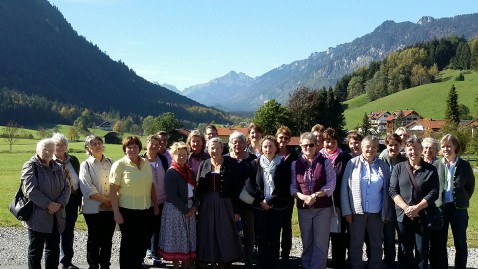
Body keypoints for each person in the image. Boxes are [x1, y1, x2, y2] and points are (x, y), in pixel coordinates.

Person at [341, 135, 392, 269]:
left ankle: (375, 266)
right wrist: (347, 211)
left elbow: (388, 191)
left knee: (376, 243)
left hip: (377, 213)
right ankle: (356, 266)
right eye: (367, 146)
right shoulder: (352, 163)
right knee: (356, 243)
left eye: (374, 147)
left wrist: (386, 212)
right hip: (356, 212)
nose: (370, 149)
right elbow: (344, 188)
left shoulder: (383, 166)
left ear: (377, 149)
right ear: (362, 147)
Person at [389, 136, 439, 269]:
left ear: (421, 150)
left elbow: (434, 192)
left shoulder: (430, 169)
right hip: (402, 215)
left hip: (423, 215)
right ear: (406, 150)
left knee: (422, 249)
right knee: (404, 249)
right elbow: (393, 190)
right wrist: (406, 208)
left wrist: (417, 208)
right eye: (410, 149)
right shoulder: (398, 168)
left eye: (416, 148)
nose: (413, 152)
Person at [109, 136, 159, 269]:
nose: (132, 149)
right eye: (129, 147)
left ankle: (136, 265)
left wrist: (155, 203)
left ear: (139, 148)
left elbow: (151, 184)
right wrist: (116, 213)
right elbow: (113, 191)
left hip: (146, 210)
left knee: (142, 243)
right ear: (125, 150)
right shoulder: (119, 165)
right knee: (128, 245)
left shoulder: (145, 163)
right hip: (127, 212)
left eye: (135, 146)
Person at [22, 138, 71, 269]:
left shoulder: (58, 167)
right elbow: (31, 191)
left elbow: (67, 187)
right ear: (38, 150)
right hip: (37, 217)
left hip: (56, 216)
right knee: (35, 251)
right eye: (45, 149)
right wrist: (49, 204)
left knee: (53, 250)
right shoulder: (30, 166)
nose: (48, 152)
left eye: (51, 149)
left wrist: (59, 204)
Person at [290, 132, 336, 269]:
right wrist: (304, 197)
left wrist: (314, 196)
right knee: (307, 241)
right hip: (304, 208)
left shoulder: (325, 162)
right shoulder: (295, 164)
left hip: (323, 209)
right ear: (300, 146)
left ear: (316, 146)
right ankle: (306, 265)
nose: (308, 148)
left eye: (311, 145)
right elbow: (292, 186)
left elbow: (331, 185)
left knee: (320, 243)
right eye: (305, 145)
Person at [197, 137, 243, 268]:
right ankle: (211, 259)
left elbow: (237, 189)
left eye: (218, 148)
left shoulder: (231, 164)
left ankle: (224, 260)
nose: (215, 150)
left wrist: (237, 210)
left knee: (224, 233)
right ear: (208, 149)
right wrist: (197, 205)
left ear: (222, 149)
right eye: (212, 148)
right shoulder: (204, 164)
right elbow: (198, 187)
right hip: (206, 204)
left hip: (225, 203)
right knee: (208, 232)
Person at [245, 135, 290, 269]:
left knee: (275, 237)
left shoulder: (283, 164)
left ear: (276, 148)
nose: (268, 149)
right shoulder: (255, 164)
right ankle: (263, 263)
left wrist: (270, 200)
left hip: (277, 206)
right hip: (260, 206)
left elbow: (284, 186)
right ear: (261, 148)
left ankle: (274, 263)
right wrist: (261, 201)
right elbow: (249, 184)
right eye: (265, 146)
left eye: (271, 146)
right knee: (262, 237)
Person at [431, 134, 475, 269]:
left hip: (459, 210)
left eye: (448, 146)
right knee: (440, 242)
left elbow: (470, 187)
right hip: (441, 209)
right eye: (443, 147)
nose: (445, 149)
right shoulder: (437, 164)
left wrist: (463, 198)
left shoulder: (465, 165)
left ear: (455, 147)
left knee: (460, 243)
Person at [159, 142, 198, 269]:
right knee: (176, 238)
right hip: (175, 209)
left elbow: (196, 190)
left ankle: (185, 264)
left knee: (187, 237)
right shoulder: (172, 172)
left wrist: (194, 206)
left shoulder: (189, 171)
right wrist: (185, 210)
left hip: (189, 208)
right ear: (173, 155)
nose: (181, 157)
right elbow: (172, 195)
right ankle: (176, 266)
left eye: (184, 154)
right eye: (178, 154)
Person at [79, 135, 115, 269]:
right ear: (88, 147)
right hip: (93, 209)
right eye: (93, 143)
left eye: (99, 142)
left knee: (107, 239)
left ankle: (105, 264)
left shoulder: (112, 162)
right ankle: (93, 265)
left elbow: (119, 184)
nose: (97, 145)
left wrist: (110, 202)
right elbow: (87, 188)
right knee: (94, 239)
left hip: (110, 208)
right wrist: (106, 200)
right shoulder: (85, 165)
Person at [223, 131, 257, 268]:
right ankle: (230, 256)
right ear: (230, 144)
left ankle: (248, 257)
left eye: (240, 141)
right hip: (229, 201)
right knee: (229, 231)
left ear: (245, 143)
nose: (237, 144)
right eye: (234, 142)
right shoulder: (225, 159)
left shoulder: (253, 159)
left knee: (249, 231)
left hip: (248, 201)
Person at [320, 128, 352, 269]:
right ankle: (322, 262)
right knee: (322, 236)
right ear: (323, 142)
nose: (330, 144)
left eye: (333, 142)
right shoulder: (318, 157)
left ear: (337, 142)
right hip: (322, 204)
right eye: (327, 141)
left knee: (338, 236)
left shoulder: (345, 158)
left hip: (339, 203)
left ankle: (338, 263)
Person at [51, 133, 81, 269]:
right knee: (55, 231)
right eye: (57, 145)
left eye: (63, 145)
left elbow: (79, 178)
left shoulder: (73, 160)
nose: (60, 147)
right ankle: (52, 262)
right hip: (56, 201)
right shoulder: (49, 161)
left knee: (69, 232)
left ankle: (66, 262)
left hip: (73, 200)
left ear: (66, 146)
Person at [379, 133, 406, 268]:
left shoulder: (405, 161)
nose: (393, 147)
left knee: (403, 235)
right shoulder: (381, 160)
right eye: (390, 145)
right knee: (388, 236)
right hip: (387, 204)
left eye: (396, 144)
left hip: (402, 204)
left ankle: (402, 261)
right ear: (386, 145)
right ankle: (389, 261)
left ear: (400, 145)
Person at [142, 134, 169, 266]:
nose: (154, 146)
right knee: (144, 229)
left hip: (162, 200)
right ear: (146, 144)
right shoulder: (140, 160)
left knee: (157, 229)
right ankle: (140, 256)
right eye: (151, 143)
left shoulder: (163, 159)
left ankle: (155, 255)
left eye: (157, 144)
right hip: (145, 201)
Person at [275, 126, 299, 266]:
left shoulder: (294, 156)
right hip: (273, 196)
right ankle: (274, 252)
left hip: (288, 196)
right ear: (277, 138)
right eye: (281, 137)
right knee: (274, 226)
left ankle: (285, 254)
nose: (283, 140)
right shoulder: (272, 152)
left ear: (289, 139)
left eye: (286, 138)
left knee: (287, 225)